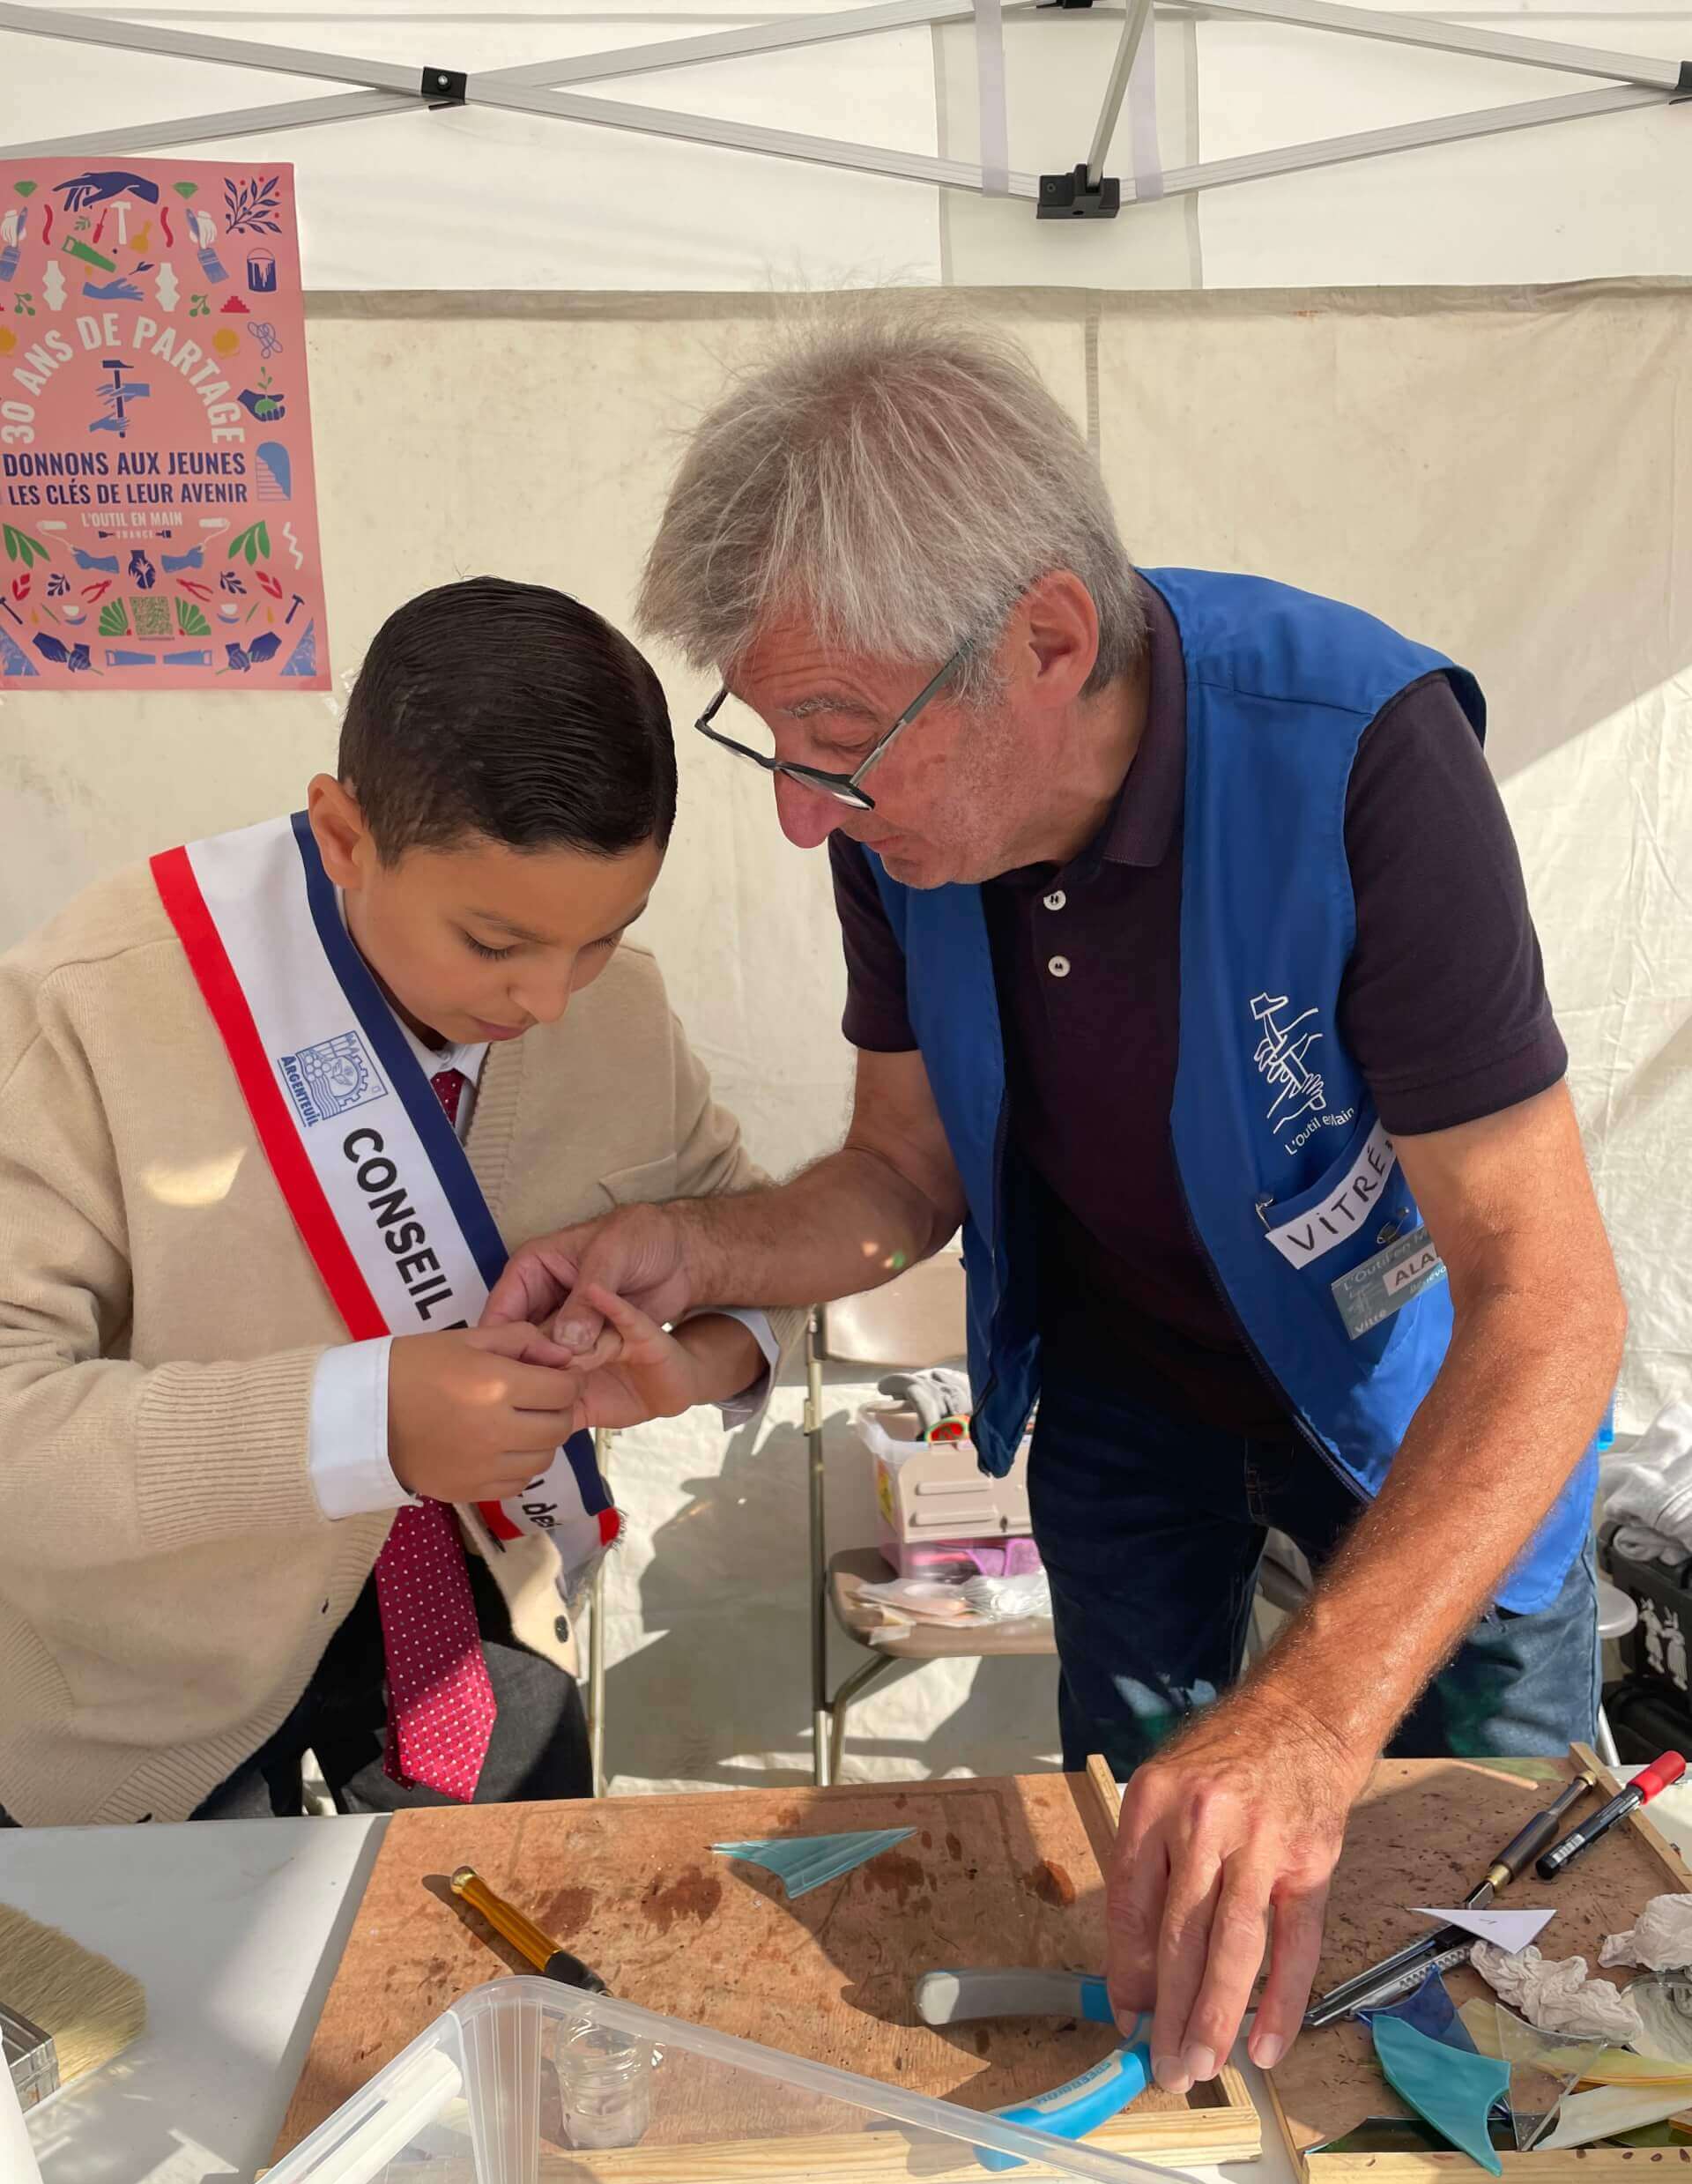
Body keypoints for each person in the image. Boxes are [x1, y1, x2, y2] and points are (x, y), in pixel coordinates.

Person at [487, 317, 1626, 2084]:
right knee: (1161, 1894)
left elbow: (1550, 1307)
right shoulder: (900, 823)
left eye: (835, 738)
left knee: (1508, 1939)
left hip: (1422, 1416)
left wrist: (1316, 1718)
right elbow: (901, 1171)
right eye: (773, 739)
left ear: (1048, 641)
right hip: (1125, 1403)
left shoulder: (1359, 760)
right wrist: (697, 1251)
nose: (799, 814)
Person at [0, 576, 798, 1830]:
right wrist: (359, 1420)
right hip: (148, 1676)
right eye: (495, 945)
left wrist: (701, 1356)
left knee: (518, 1936)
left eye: (603, 935)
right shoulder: (94, 1003)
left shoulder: (617, 1008)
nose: (551, 1000)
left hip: (479, 1627)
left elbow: (756, 1248)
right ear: (342, 836)